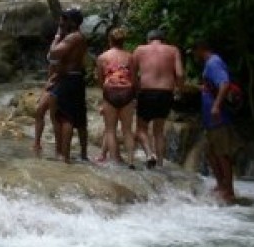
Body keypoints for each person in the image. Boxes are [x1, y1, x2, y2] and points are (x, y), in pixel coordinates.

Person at [192, 42, 240, 204]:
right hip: (210, 119)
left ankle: (229, 190)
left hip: (218, 117)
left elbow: (224, 83)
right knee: (211, 153)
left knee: (222, 153)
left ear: (202, 48)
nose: (193, 54)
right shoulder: (210, 64)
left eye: (194, 50)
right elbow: (211, 86)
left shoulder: (214, 62)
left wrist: (216, 105)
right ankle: (221, 185)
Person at [133, 29, 184, 168]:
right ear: (163, 40)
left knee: (141, 129)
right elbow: (179, 74)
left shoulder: (140, 49)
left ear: (148, 40)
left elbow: (132, 73)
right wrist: (179, 90)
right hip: (165, 92)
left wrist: (136, 89)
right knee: (159, 131)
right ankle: (160, 164)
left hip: (146, 91)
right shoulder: (173, 50)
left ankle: (150, 154)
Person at [48, 9, 89, 162]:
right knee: (75, 116)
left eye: (64, 19)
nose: (61, 22)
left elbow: (54, 54)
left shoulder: (73, 37)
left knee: (65, 117)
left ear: (72, 22)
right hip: (75, 78)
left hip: (69, 80)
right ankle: (77, 154)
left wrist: (57, 36)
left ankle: (64, 156)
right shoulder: (79, 37)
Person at [95, 27, 137, 166]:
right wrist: (133, 94)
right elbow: (134, 78)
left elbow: (100, 80)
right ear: (123, 41)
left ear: (110, 40)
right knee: (127, 130)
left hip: (110, 92)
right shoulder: (130, 57)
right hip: (127, 92)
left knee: (110, 130)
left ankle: (114, 162)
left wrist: (105, 94)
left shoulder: (102, 57)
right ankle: (131, 160)